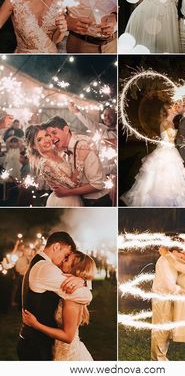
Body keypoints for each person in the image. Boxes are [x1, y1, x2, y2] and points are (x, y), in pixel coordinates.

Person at [17, 232, 92, 361]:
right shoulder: (46, 268)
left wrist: (81, 281)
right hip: (36, 347)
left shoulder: (38, 261)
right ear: (56, 247)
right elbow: (85, 296)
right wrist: (83, 283)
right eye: (66, 255)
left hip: (34, 343)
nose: (64, 259)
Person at [120, 102, 185, 206]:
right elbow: (168, 138)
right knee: (161, 175)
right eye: (171, 107)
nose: (175, 108)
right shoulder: (166, 122)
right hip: (167, 151)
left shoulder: (172, 122)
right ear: (167, 111)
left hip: (171, 149)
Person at [44, 116, 112, 206]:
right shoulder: (63, 149)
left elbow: (98, 184)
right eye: (49, 136)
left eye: (54, 132)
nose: (52, 138)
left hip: (96, 203)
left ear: (66, 129)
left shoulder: (84, 147)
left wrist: (67, 192)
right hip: (79, 201)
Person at [25, 124, 90, 207]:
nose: (46, 140)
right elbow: (73, 185)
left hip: (74, 197)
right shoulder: (46, 164)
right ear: (33, 146)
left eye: (46, 135)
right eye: (39, 139)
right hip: (64, 201)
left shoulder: (57, 151)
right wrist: (81, 159)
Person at [151, 246, 185, 361]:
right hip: (162, 298)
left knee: (165, 330)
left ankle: (160, 358)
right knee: (161, 330)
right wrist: (181, 291)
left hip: (167, 297)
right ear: (175, 251)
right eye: (182, 253)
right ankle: (158, 360)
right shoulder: (165, 261)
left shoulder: (169, 259)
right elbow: (167, 283)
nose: (183, 256)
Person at [69, 102, 117, 175]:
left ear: (116, 115)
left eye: (110, 115)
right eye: (105, 115)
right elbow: (89, 123)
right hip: (96, 170)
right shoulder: (100, 128)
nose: (107, 117)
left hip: (112, 175)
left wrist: (102, 170)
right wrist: (77, 112)